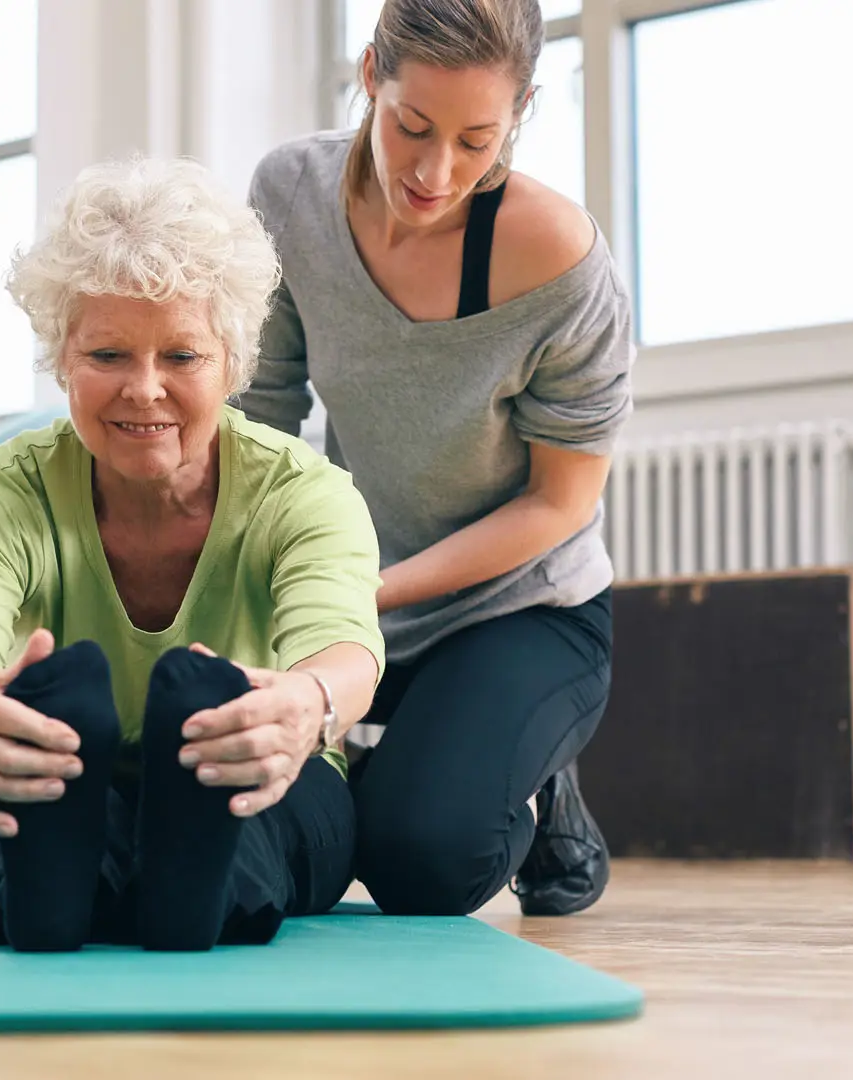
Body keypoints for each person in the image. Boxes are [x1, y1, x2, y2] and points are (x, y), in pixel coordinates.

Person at [0, 156, 387, 953]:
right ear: (62, 360)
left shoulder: (304, 493)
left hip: (254, 766)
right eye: (108, 356)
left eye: (182, 357)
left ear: (233, 363)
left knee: (251, 821)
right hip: (47, 768)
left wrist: (306, 707)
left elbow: (344, 649)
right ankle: (88, 881)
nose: (145, 390)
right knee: (12, 806)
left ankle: (171, 877)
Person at [238, 0, 633, 918]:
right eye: (412, 126)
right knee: (277, 822)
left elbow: (558, 504)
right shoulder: (289, 196)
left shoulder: (560, 260)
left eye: (476, 140)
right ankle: (417, 752)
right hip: (350, 599)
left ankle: (538, 780)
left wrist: (368, 591)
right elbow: (260, 418)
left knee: (422, 863)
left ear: (522, 111)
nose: (435, 170)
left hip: (522, 610)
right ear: (371, 71)